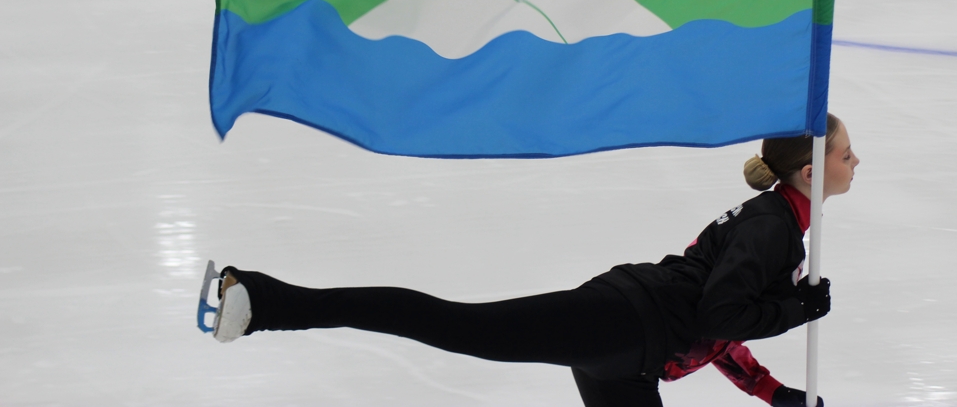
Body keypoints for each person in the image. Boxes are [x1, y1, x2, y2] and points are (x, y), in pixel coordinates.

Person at [207, 113, 858, 407]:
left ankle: (262, 300)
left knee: (453, 325)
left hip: (634, 359)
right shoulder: (772, 227)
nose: (856, 161)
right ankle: (262, 300)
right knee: (453, 323)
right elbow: (721, 313)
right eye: (845, 152)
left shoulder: (782, 224)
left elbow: (716, 327)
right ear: (809, 170)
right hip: (621, 323)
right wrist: (794, 310)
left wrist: (771, 391)